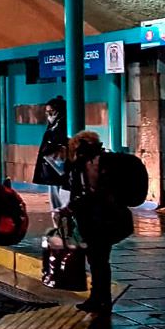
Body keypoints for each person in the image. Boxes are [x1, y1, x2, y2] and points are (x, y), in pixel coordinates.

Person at [62, 131, 132, 314]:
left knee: (97, 260)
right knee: (101, 260)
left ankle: (98, 299)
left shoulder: (85, 164)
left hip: (95, 218)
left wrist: (72, 207)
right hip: (110, 216)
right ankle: (102, 298)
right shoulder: (107, 160)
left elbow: (85, 191)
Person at [33, 96, 68, 185]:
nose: (48, 115)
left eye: (51, 111)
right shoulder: (53, 126)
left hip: (57, 168)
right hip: (52, 167)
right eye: (47, 112)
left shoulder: (61, 126)